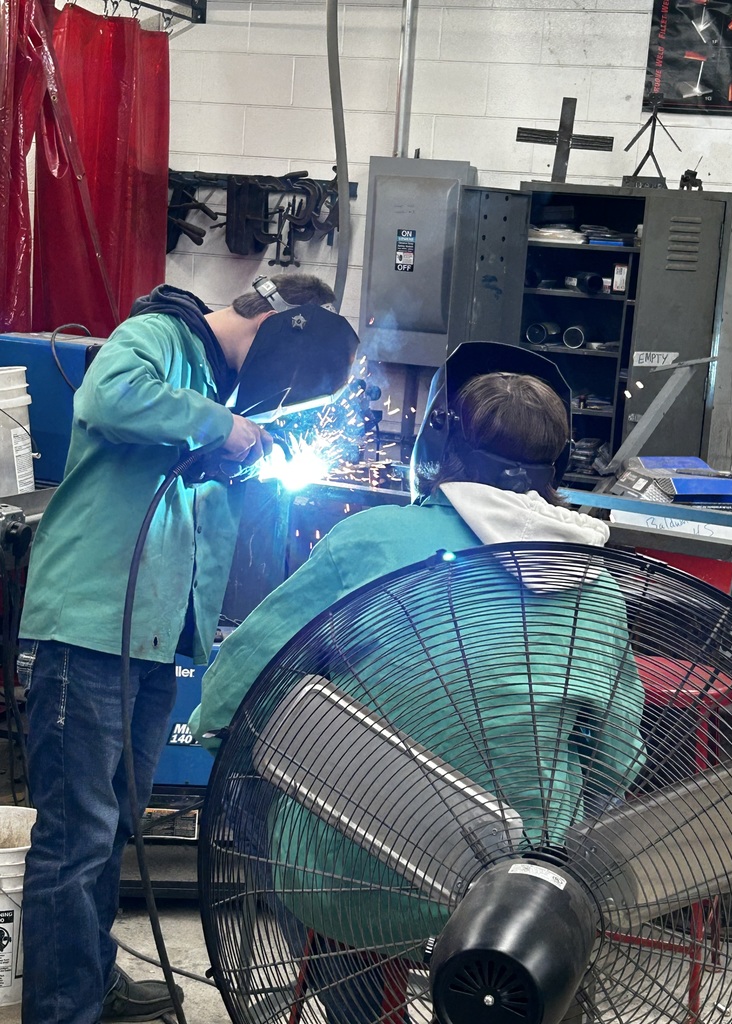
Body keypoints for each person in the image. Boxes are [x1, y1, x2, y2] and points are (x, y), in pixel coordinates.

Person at [189, 342, 646, 1023]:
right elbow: (616, 764)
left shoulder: (373, 541)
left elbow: (231, 694)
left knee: (257, 770)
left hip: (357, 881)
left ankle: (356, 1005)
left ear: (436, 446)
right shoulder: (597, 586)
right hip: (518, 904)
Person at [16, 272, 358, 1024]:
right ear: (279, 328)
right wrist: (223, 429)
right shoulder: (160, 338)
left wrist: (235, 456)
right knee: (75, 839)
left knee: (113, 831)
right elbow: (105, 397)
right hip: (89, 626)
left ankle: (91, 979)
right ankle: (60, 1010)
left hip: (150, 634)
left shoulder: (218, 393)